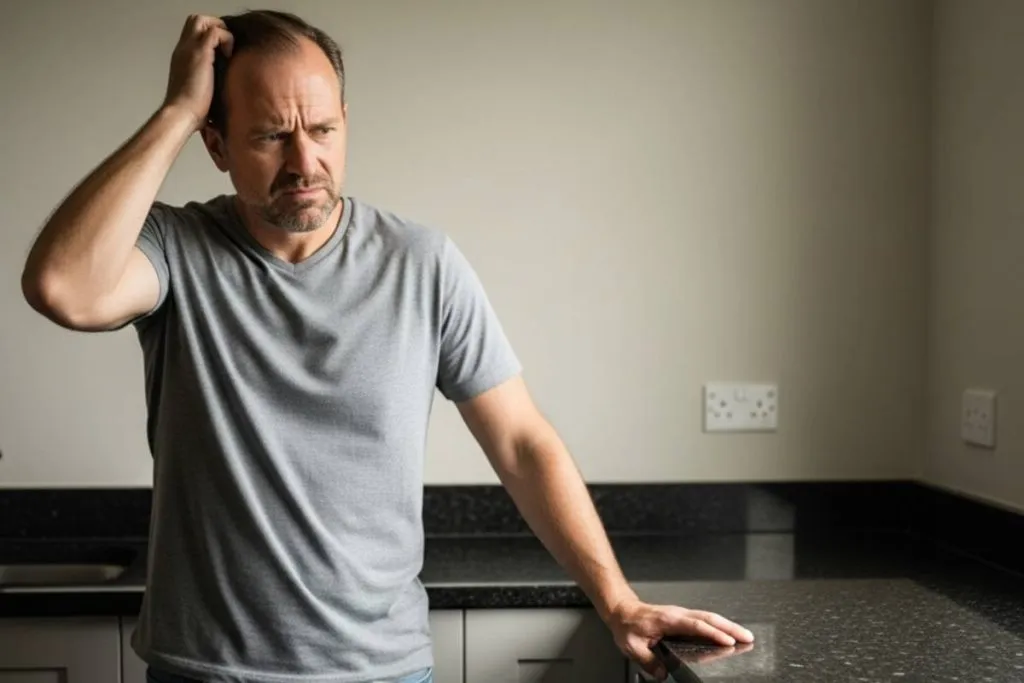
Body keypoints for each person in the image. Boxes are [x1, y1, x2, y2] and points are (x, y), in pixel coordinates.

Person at [20, 10, 752, 683]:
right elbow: (62, 287)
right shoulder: (176, 250)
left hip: (381, 670)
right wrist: (177, 108)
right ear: (215, 143)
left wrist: (618, 599)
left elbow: (524, 443)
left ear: (346, 123)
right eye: (271, 135)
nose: (305, 162)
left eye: (324, 130)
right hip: (207, 671)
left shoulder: (423, 264)